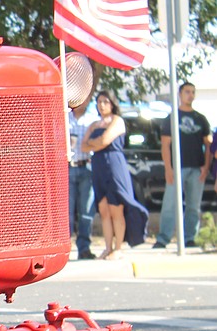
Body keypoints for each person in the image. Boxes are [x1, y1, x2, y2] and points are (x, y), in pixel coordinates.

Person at [83, 90, 148, 259]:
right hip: (98, 167)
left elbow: (105, 140)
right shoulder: (94, 124)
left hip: (114, 166)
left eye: (105, 101)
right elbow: (84, 146)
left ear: (112, 104)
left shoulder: (117, 121)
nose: (102, 105)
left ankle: (118, 248)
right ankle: (107, 247)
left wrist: (94, 143)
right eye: (99, 102)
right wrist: (94, 144)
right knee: (104, 209)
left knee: (116, 207)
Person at [153, 82, 212, 249]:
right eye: (187, 91)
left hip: (197, 169)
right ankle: (163, 239)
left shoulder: (201, 119)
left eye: (193, 92)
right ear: (180, 94)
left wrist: (206, 167)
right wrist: (168, 169)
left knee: (193, 206)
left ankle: (189, 238)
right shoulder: (172, 118)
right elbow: (165, 145)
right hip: (177, 169)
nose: (190, 95)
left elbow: (208, 145)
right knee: (170, 205)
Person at [67, 100, 96, 260]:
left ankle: (84, 248)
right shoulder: (66, 116)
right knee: (67, 212)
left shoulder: (92, 119)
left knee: (86, 211)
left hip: (86, 167)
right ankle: (66, 248)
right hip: (68, 167)